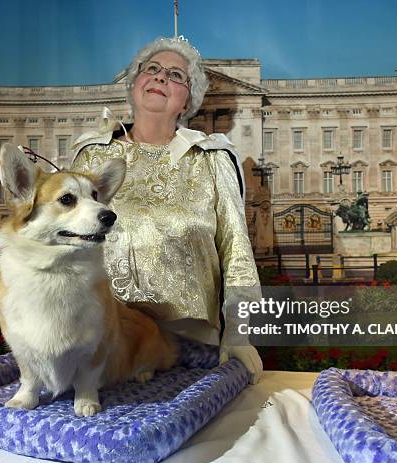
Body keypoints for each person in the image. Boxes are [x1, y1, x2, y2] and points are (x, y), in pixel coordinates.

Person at [71, 36, 262, 384]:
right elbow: (69, 245)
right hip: (105, 339)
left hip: (189, 344)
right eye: (152, 70)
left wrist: (238, 333)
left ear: (188, 98)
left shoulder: (213, 159)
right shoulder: (91, 156)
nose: (161, 78)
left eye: (176, 75)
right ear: (134, 83)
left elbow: (237, 255)